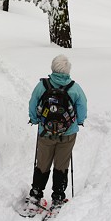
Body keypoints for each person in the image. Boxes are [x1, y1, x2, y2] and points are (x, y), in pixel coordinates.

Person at [24, 55, 88, 209]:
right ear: (68, 70)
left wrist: (34, 119)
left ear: (53, 68)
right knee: (61, 164)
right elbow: (82, 107)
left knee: (42, 163)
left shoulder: (42, 86)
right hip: (68, 133)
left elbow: (33, 103)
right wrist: (78, 122)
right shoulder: (75, 88)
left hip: (45, 132)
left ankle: (36, 194)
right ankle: (58, 197)